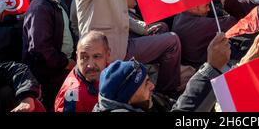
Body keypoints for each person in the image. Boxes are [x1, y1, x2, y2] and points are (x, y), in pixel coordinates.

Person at [93, 33, 230, 112]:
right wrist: (210, 69)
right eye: (145, 83)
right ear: (128, 95)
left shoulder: (147, 101)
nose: (152, 85)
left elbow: (175, 106)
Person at [22, 0, 76, 110]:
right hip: (50, 77)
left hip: (61, 70)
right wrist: (65, 63)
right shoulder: (40, 8)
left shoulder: (55, 2)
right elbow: (40, 47)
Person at [55, 31, 111, 112]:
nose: (90, 65)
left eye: (96, 56)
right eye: (84, 57)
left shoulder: (115, 71)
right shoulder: (72, 94)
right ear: (77, 57)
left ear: (108, 55)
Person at [172, 3, 237, 69]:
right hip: (204, 67)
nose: (208, 9)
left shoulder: (179, 17)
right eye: (206, 6)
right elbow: (232, 21)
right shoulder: (199, 25)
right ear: (194, 8)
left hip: (191, 61)